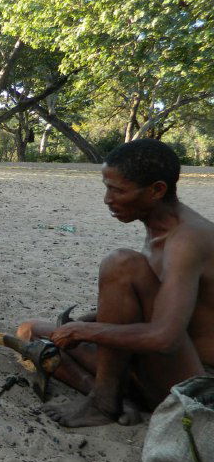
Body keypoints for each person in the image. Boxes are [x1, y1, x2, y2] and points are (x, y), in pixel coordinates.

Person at [17, 139, 212, 427]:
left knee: (120, 264)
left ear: (157, 190)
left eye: (118, 190)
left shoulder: (187, 239)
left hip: (198, 387)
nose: (108, 199)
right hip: (156, 367)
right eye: (107, 187)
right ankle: (111, 396)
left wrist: (87, 331)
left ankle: (104, 401)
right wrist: (89, 322)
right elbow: (160, 305)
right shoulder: (159, 229)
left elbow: (165, 337)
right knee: (31, 330)